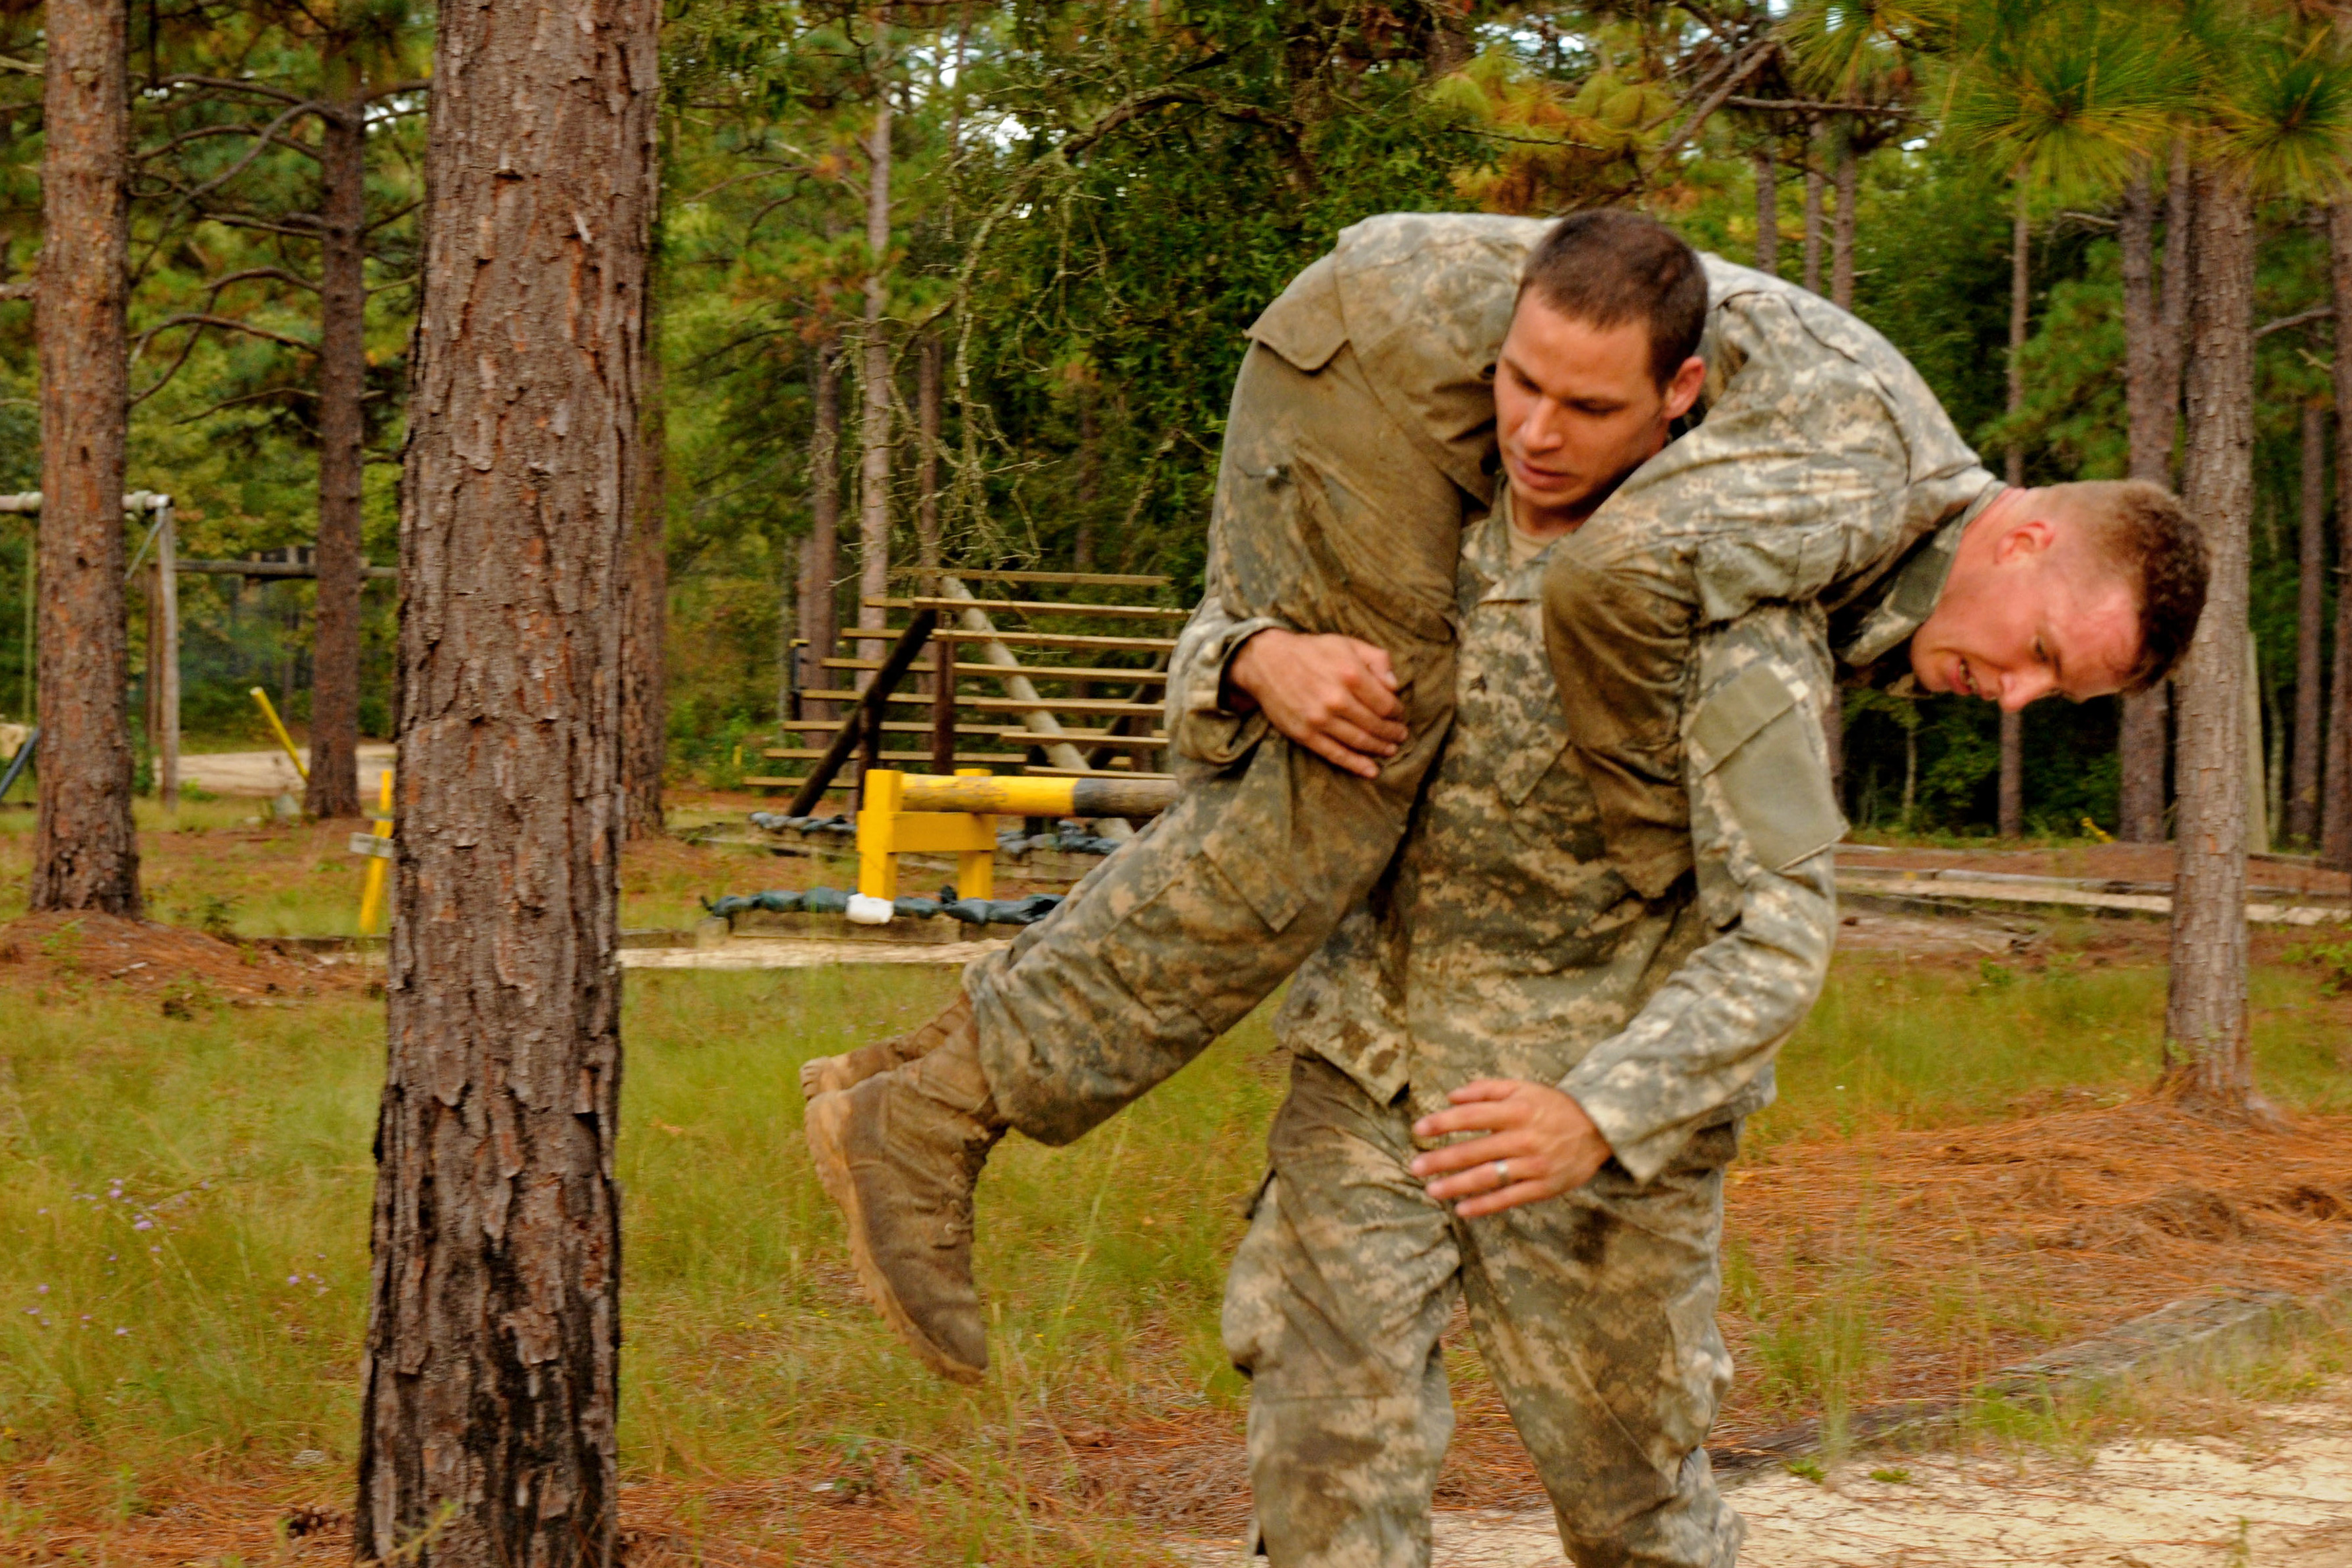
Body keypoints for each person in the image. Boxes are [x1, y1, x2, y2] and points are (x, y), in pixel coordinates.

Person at [800, 212, 2207, 1404]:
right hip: (1372, 362)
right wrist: (1656, 839)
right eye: (2037, 652)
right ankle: (939, 1112)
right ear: (2020, 533)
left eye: (2053, 697)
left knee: (1336, 752)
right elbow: (1608, 580)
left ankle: (919, 1086)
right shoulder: (1861, 474)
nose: (2016, 696)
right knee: (1351, 771)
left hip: (1385, 351)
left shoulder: (1880, 540)